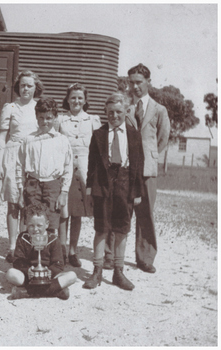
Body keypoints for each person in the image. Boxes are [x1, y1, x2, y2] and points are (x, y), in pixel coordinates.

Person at [104, 64, 170, 273]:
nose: (134, 86)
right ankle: (111, 255)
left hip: (147, 170)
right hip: (126, 168)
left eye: (139, 82)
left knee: (145, 214)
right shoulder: (125, 108)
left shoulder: (159, 110)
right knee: (119, 210)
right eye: (131, 82)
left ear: (148, 82)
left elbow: (162, 139)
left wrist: (148, 158)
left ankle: (145, 258)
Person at [83, 92, 144, 291]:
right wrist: (90, 189)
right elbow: (92, 164)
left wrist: (136, 192)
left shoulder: (134, 135)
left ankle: (118, 271)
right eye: (110, 112)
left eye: (118, 111)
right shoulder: (98, 134)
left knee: (122, 229)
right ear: (105, 112)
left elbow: (138, 165)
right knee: (101, 229)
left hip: (125, 184)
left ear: (126, 111)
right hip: (103, 184)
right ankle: (97, 270)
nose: (114, 116)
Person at [0, 70, 44, 263]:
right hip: (13, 155)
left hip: (33, 156)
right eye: (23, 85)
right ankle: (12, 246)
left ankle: (28, 243)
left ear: (36, 88)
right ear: (18, 87)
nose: (26, 88)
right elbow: (1, 136)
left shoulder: (39, 107)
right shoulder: (10, 107)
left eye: (30, 85)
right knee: (13, 203)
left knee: (30, 202)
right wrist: (1, 163)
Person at [57, 83, 101, 267]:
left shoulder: (92, 120)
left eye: (80, 98)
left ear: (85, 100)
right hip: (63, 167)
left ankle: (73, 251)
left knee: (77, 213)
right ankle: (60, 251)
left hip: (84, 168)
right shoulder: (59, 120)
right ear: (67, 99)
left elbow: (98, 148)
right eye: (73, 97)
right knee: (62, 212)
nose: (76, 101)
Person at [16, 97, 73, 235]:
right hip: (33, 184)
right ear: (36, 117)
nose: (45, 121)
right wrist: (20, 190)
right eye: (41, 118)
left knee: (51, 222)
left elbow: (68, 167)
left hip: (53, 185)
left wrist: (64, 192)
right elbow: (20, 166)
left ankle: (49, 255)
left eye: (48, 118)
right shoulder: (28, 139)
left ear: (55, 118)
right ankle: (34, 255)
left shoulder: (62, 140)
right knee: (32, 222)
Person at [6, 203, 77, 300]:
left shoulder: (53, 239)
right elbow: (18, 261)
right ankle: (55, 291)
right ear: (26, 222)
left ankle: (26, 292)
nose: (35, 229)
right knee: (11, 273)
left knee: (72, 276)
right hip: (30, 276)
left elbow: (59, 264)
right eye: (31, 225)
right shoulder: (23, 238)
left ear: (47, 224)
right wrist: (27, 271)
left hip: (48, 276)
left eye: (39, 225)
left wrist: (49, 272)